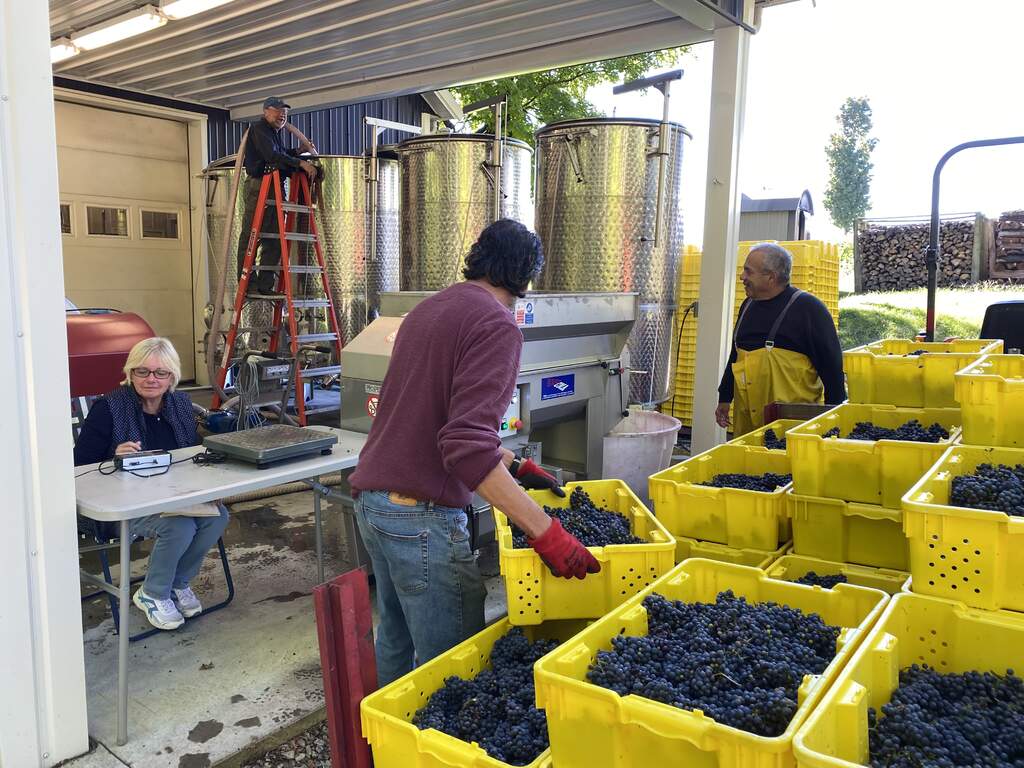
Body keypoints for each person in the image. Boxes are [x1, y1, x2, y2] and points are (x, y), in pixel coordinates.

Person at [349, 219, 601, 686]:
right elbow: (464, 448)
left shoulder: (428, 311)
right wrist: (547, 533)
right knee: (455, 666)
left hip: (374, 504)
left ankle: (388, 744)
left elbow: (429, 416)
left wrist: (514, 464)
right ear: (527, 276)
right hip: (419, 517)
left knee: (397, 640)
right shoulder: (497, 325)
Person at [74, 337, 230, 631]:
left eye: (161, 372)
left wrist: (211, 491)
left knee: (218, 517)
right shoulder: (108, 409)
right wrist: (112, 457)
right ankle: (152, 593)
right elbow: (79, 467)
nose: (151, 379)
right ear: (130, 373)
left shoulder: (181, 405)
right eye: (142, 371)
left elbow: (191, 457)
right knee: (178, 527)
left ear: (172, 376)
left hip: (172, 496)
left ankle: (176, 583)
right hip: (121, 503)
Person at [716, 243, 846, 436]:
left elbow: (832, 369)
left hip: (791, 428)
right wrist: (724, 397)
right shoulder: (748, 305)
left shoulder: (809, 309)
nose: (742, 277)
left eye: (748, 272)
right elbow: (736, 354)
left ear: (771, 277)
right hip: (748, 425)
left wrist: (834, 423)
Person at [237, 95, 319, 295]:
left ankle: (265, 286)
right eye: (278, 110)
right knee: (251, 236)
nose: (282, 114)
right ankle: (247, 284)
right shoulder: (259, 129)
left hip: (274, 186)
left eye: (285, 111)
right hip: (260, 186)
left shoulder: (273, 133)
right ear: (266, 112)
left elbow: (280, 152)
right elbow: (272, 155)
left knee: (273, 238)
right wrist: (300, 163)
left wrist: (298, 151)